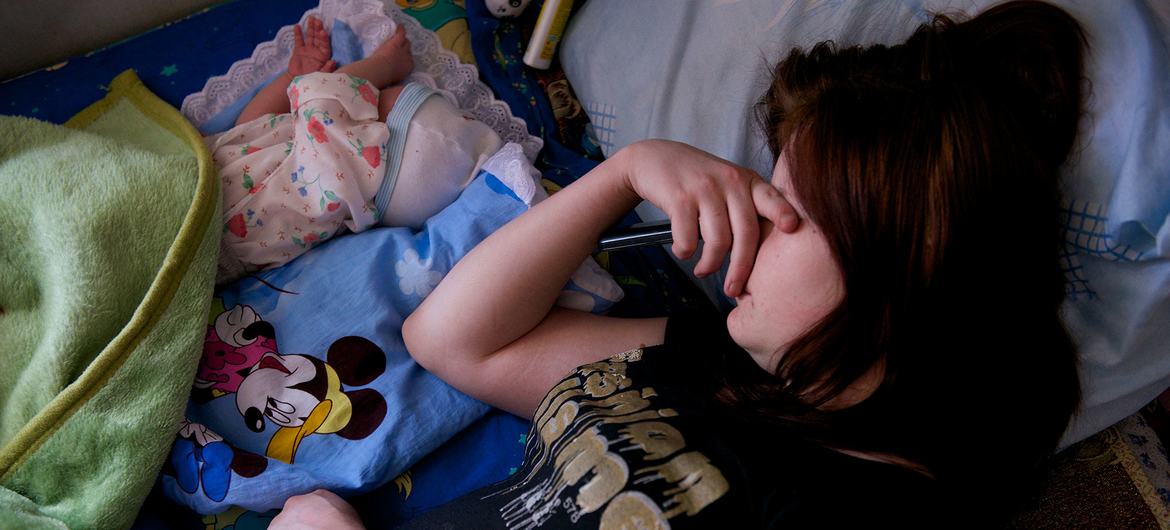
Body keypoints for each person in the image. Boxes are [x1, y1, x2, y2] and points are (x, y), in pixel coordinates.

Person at [270, 1, 1087, 527]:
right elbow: (454, 341)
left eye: (793, 212)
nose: (760, 215)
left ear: (906, 273)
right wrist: (626, 174)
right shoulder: (739, 362)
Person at [210, 16, 505, 283]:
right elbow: (246, 130)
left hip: (383, 204)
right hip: (210, 216)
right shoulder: (216, 172)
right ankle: (386, 78)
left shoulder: (329, 175)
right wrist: (293, 81)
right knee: (317, 100)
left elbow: (291, 106)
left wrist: (292, 76)